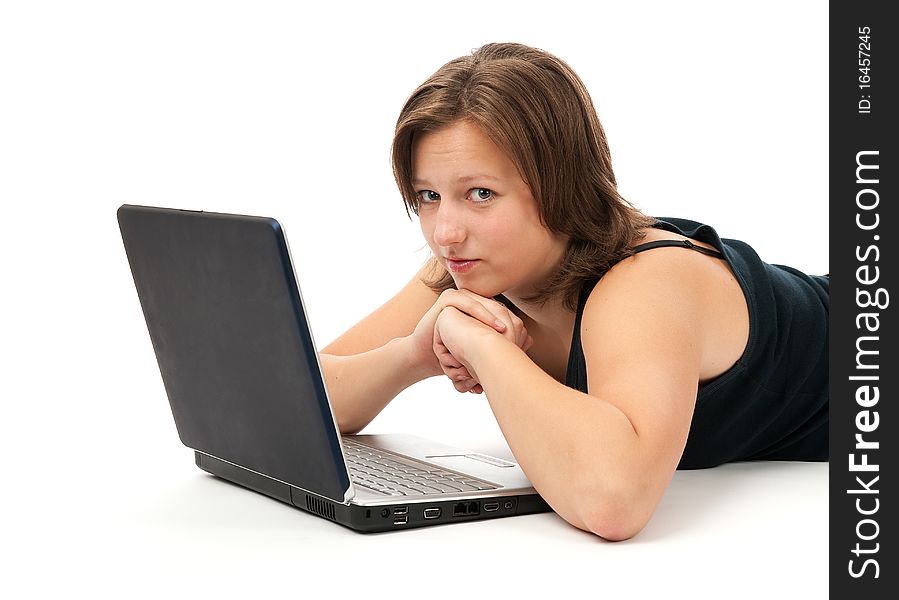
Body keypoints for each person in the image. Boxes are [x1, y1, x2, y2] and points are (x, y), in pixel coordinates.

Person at [318, 42, 828, 541]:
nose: (446, 231)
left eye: (481, 194)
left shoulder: (643, 282)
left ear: (561, 185)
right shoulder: (471, 265)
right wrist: (414, 354)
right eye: (429, 196)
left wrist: (478, 344)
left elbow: (614, 501)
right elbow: (309, 398)